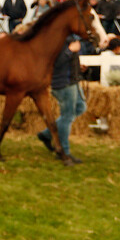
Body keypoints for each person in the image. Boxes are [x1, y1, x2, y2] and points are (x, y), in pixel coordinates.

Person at [36, 36, 86, 164]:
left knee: (80, 107)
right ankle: (64, 151)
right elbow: (55, 63)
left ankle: (47, 134)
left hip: (72, 81)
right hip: (64, 84)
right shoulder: (57, 40)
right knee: (67, 116)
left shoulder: (70, 38)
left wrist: (78, 66)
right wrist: (70, 51)